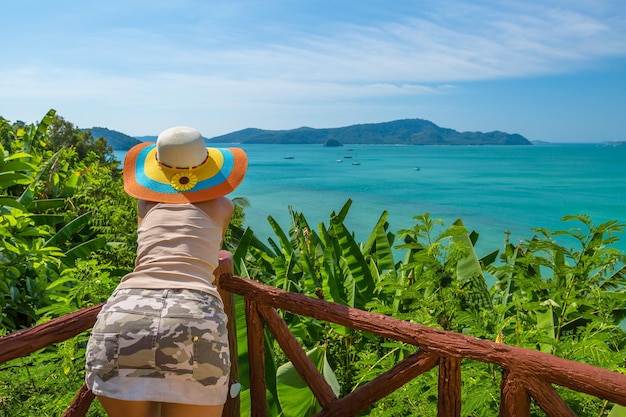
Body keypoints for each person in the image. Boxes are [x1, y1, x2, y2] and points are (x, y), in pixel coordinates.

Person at [85, 126, 248, 417]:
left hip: (125, 313)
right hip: (195, 318)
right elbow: (211, 252)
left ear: (157, 168)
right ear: (207, 164)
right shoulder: (223, 206)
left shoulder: (145, 203)